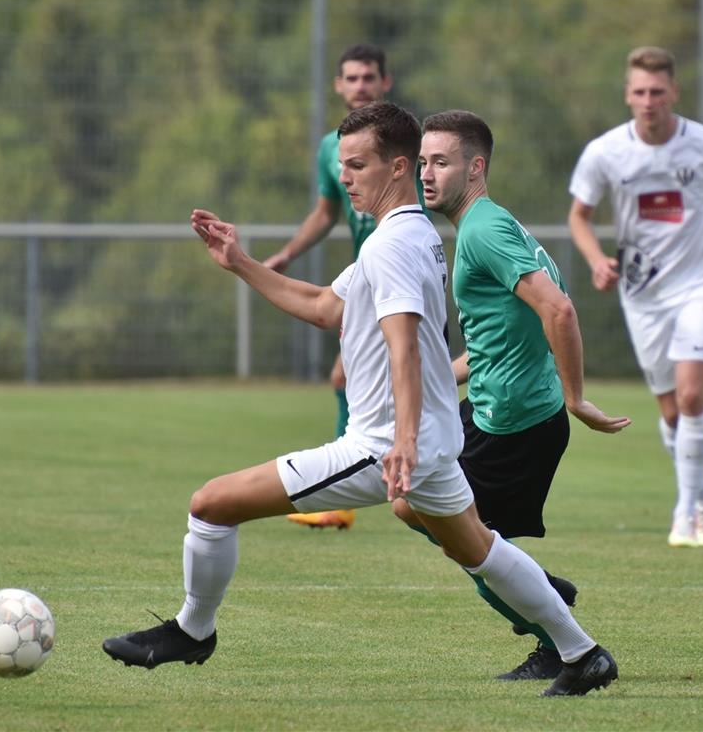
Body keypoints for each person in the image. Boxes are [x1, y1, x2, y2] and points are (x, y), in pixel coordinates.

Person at [102, 102, 618, 698]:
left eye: (357, 164)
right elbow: (328, 307)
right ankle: (583, 654)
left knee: (211, 505)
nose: (344, 176)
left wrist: (399, 440)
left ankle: (193, 630)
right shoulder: (410, 233)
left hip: (382, 447)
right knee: (479, 548)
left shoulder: (392, 245)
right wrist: (240, 263)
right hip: (428, 442)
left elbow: (403, 345)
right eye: (342, 165)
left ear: (396, 168)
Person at [393, 109, 629, 682]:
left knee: (460, 537)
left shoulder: (483, 230)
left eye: (441, 162)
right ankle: (544, 597)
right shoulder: (488, 224)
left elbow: (559, 309)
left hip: (518, 423)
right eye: (423, 162)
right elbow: (500, 335)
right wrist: (432, 383)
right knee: (415, 507)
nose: (427, 174)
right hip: (497, 409)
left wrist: (577, 398)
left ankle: (557, 633)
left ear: (476, 168)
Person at [567, 46, 703, 548]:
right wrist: (596, 259)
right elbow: (578, 216)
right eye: (640, 92)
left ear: (674, 93)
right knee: (671, 413)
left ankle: (687, 513)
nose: (649, 100)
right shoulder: (607, 152)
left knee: (693, 397)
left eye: (658, 91)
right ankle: (702, 491)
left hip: (700, 284)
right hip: (643, 293)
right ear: (628, 96)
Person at [264, 43, 396, 531]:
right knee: (352, 378)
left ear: (386, 82)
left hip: (394, 273)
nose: (360, 86)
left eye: (369, 77)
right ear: (339, 86)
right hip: (365, 275)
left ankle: (346, 491)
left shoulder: (406, 141)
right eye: (352, 78)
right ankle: (369, 483)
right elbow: (326, 213)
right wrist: (289, 254)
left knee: (357, 378)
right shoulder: (330, 147)